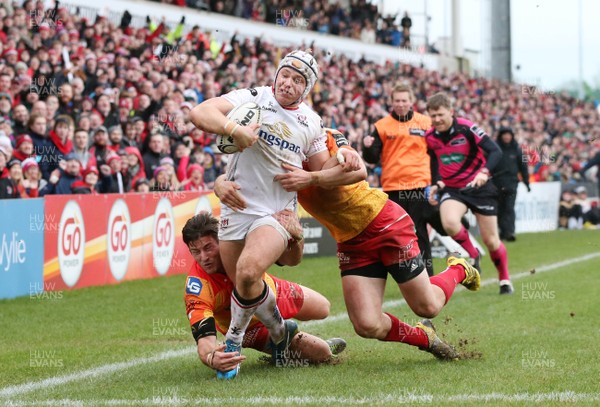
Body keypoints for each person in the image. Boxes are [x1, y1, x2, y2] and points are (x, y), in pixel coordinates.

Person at [217, 128, 481, 362]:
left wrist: (312, 178)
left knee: (427, 307)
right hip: (351, 242)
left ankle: (458, 268)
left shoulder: (323, 135)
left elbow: (359, 170)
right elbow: (238, 174)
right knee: (366, 325)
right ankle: (424, 338)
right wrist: (219, 183)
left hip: (384, 222)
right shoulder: (275, 154)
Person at [190, 49, 362, 380]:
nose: (288, 82)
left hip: (277, 212)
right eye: (285, 74)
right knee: (246, 281)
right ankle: (280, 331)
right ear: (276, 75)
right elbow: (200, 112)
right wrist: (234, 130)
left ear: (306, 88)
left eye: (298, 80)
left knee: (249, 269)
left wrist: (344, 155)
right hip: (236, 207)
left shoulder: (310, 122)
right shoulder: (252, 98)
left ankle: (234, 343)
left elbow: (325, 172)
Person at [183, 212, 347, 373]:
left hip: (272, 291)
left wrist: (297, 238)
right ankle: (286, 349)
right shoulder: (197, 287)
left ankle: (283, 343)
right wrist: (212, 358)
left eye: (208, 248)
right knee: (321, 352)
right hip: (251, 328)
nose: (203, 257)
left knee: (323, 308)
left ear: (221, 241)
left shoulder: (238, 243)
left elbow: (290, 260)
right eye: (196, 252)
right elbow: (204, 341)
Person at [425, 93, 513, 295]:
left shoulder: (467, 128)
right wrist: (436, 182)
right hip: (454, 190)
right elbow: (434, 162)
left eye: (440, 114)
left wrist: (484, 173)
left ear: (451, 112)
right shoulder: (430, 137)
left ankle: (505, 279)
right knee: (449, 222)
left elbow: (496, 151)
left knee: (491, 240)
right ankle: (473, 256)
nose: (437, 119)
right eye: (433, 115)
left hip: (480, 188)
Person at [362, 83, 435, 275]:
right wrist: (367, 147)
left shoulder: (426, 123)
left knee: (419, 230)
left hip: (419, 184)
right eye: (397, 101)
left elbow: (437, 151)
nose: (401, 104)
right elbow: (372, 159)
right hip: (393, 186)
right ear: (391, 102)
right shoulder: (381, 126)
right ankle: (407, 273)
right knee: (397, 233)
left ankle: (428, 273)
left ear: (412, 101)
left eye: (404, 100)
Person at [492, 127, 530, 241]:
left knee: (509, 208)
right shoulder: (495, 149)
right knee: (498, 209)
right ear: (501, 136)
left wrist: (527, 182)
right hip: (496, 184)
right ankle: (500, 232)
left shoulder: (517, 150)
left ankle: (509, 232)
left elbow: (524, 168)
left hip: (511, 184)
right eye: (504, 134)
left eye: (508, 134)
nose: (506, 137)